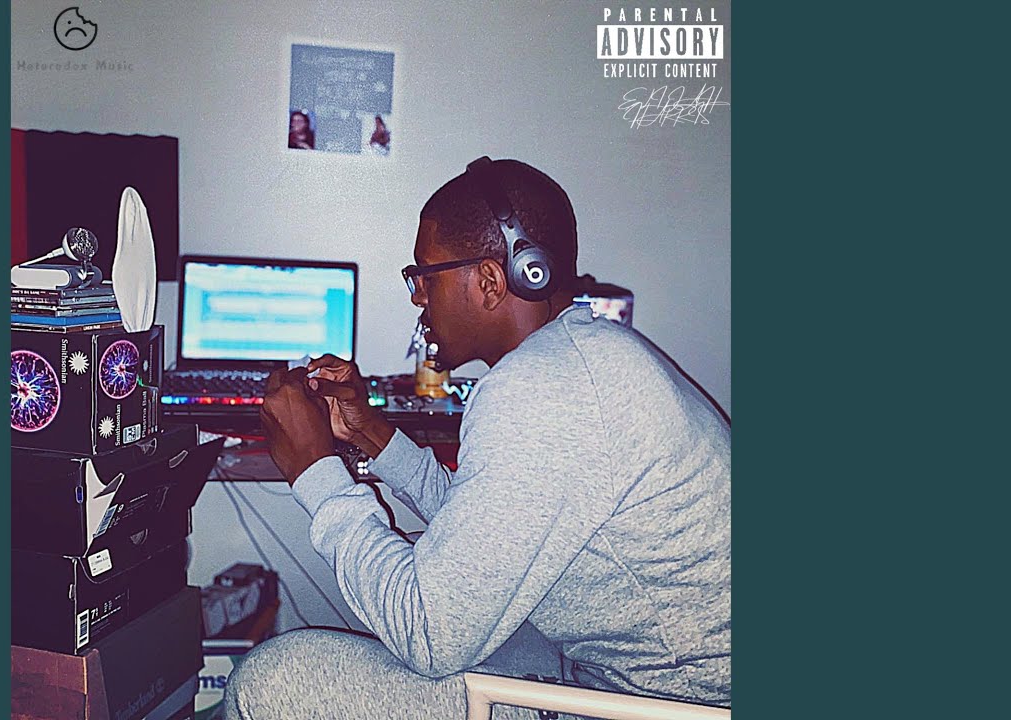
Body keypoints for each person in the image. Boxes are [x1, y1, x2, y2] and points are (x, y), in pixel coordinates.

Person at [227, 158, 731, 719]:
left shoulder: (542, 389)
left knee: (274, 680)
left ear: (491, 281)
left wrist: (314, 470)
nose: (418, 296)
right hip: (642, 680)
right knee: (413, 564)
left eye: (426, 275)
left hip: (671, 707)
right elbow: (489, 524)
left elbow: (428, 633)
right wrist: (368, 429)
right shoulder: (580, 358)